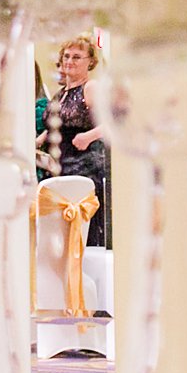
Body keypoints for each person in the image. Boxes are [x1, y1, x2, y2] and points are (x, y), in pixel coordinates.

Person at [40, 34, 109, 249]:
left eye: (77, 57)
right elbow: (55, 127)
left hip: (85, 166)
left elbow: (113, 122)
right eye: (67, 56)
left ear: (90, 62)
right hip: (60, 166)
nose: (69, 61)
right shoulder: (60, 93)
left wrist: (88, 136)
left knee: (81, 228)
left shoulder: (90, 88)